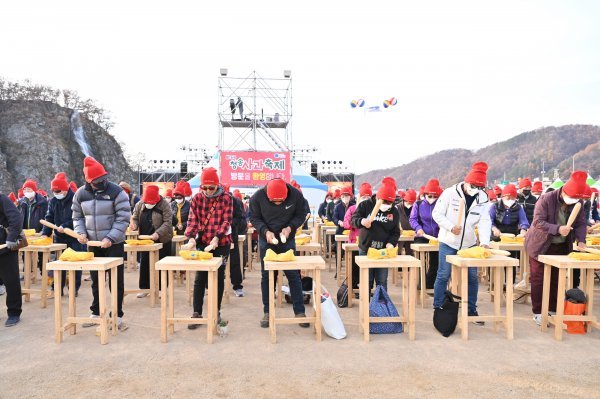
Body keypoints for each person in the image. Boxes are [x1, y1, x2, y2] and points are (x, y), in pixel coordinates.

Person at [72, 157, 131, 331]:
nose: (101, 182)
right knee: (96, 280)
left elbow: (123, 217)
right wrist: (81, 233)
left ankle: (117, 314)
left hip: (114, 243)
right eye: (97, 180)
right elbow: (77, 217)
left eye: (103, 178)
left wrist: (111, 238)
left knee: (116, 280)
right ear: (88, 180)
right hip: (93, 243)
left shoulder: (117, 192)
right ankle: (96, 312)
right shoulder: (80, 194)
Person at [432, 162, 492, 325]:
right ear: (466, 182)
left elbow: (485, 220)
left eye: (479, 187)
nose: (475, 189)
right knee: (444, 274)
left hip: (469, 244)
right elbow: (436, 214)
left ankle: (471, 309)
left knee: (472, 277)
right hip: (448, 241)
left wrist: (485, 242)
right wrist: (451, 227)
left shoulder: (483, 198)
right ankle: (438, 306)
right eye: (473, 186)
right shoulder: (450, 193)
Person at [525, 171, 587, 326]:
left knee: (556, 279)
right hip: (540, 245)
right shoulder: (546, 199)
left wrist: (581, 240)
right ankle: (539, 312)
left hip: (561, 246)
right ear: (564, 191)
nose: (573, 201)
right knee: (539, 279)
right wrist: (558, 229)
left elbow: (580, 223)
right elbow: (538, 222)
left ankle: (552, 309)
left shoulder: (579, 204)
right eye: (571, 197)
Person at [249, 178, 309, 328]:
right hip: (266, 239)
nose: (277, 204)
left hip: (287, 239)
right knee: (267, 276)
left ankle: (299, 311)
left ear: (286, 193)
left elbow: (301, 215)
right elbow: (254, 218)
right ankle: (268, 312)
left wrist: (290, 228)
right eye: (273, 201)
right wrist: (265, 231)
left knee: (293, 275)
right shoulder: (257, 197)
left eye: (280, 201)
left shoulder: (295, 195)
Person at [184, 168, 232, 329]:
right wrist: (191, 237)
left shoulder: (226, 198)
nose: (207, 191)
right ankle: (197, 312)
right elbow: (192, 220)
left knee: (217, 278)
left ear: (217, 185)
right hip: (203, 242)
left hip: (221, 243)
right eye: (204, 187)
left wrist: (217, 238)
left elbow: (226, 221)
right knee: (200, 278)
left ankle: (215, 311)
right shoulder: (197, 198)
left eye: (211, 188)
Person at [351, 179, 400, 291]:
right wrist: (362, 221)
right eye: (384, 202)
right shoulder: (365, 205)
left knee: (382, 281)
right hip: (366, 248)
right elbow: (353, 220)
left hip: (383, 251)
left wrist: (391, 243)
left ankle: (381, 307)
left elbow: (396, 231)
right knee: (366, 280)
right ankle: (366, 306)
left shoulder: (394, 211)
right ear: (378, 198)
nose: (386, 205)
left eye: (389, 203)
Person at [40, 173, 84, 296]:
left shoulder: (75, 198)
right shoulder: (53, 201)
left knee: (75, 264)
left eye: (58, 190)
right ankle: (57, 288)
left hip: (74, 236)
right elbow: (49, 218)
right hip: (59, 237)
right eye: (53, 191)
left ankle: (74, 288)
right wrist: (46, 233)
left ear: (64, 189)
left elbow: (79, 217)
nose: (55, 193)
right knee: (59, 265)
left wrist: (65, 226)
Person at [131, 185, 173, 298]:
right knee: (145, 264)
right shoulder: (139, 204)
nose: (149, 204)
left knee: (161, 264)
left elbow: (168, 222)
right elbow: (134, 217)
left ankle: (160, 289)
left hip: (162, 239)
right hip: (145, 240)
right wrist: (134, 224)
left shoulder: (164, 205)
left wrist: (157, 233)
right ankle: (145, 288)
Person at [490, 184, 530, 283]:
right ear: (503, 196)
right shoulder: (494, 206)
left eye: (512, 197)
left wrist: (523, 230)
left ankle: (510, 283)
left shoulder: (518, 208)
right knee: (495, 260)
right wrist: (494, 228)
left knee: (511, 260)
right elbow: (489, 221)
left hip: (511, 237)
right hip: (497, 236)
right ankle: (494, 283)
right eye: (508, 197)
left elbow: (524, 221)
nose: (510, 199)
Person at [410, 179, 441, 290]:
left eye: (434, 196)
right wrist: (418, 228)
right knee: (420, 261)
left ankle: (429, 284)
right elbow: (412, 219)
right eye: (430, 196)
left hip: (436, 237)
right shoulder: (418, 204)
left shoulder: (440, 205)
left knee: (436, 261)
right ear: (425, 194)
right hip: (422, 236)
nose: (432, 198)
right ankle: (419, 283)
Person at [0, 192, 23, 327]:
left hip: (5, 248)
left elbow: (16, 218)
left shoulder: (2, 199)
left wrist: (11, 237)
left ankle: (14, 313)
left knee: (11, 281)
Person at [344, 183, 371, 291]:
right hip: (354, 241)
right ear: (359, 197)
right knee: (354, 267)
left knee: (367, 268)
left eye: (367, 197)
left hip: (368, 243)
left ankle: (366, 289)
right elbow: (346, 224)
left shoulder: (372, 209)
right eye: (363, 197)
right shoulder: (352, 209)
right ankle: (353, 287)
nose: (365, 199)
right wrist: (358, 221)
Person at [224, 184, 247, 297]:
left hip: (231, 234)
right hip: (214, 236)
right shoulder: (211, 200)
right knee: (215, 261)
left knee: (234, 260)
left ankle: (237, 285)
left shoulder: (236, 202)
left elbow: (242, 219)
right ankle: (210, 285)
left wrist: (230, 224)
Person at [398, 188, 417, 256]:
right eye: (409, 202)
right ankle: (399, 266)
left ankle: (411, 266)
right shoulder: (397, 208)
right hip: (400, 234)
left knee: (410, 252)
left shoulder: (416, 207)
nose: (410, 204)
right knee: (398, 252)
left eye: (412, 203)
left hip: (412, 234)